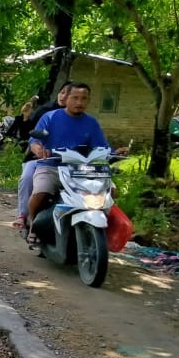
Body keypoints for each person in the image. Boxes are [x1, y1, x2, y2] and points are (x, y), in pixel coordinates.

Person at [25, 83, 113, 242]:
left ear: (88, 101)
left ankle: (100, 230)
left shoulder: (91, 123)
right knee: (41, 192)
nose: (79, 102)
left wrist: (113, 153)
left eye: (84, 99)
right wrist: (38, 149)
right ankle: (33, 225)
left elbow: (101, 147)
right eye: (75, 98)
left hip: (81, 169)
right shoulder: (50, 117)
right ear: (66, 99)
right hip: (51, 166)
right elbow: (35, 140)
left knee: (110, 191)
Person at [14, 82, 70, 231]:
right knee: (27, 177)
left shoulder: (83, 120)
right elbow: (30, 135)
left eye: (69, 94)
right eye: (62, 92)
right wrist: (25, 118)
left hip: (69, 163)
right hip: (41, 159)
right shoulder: (45, 113)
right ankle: (24, 216)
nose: (64, 96)